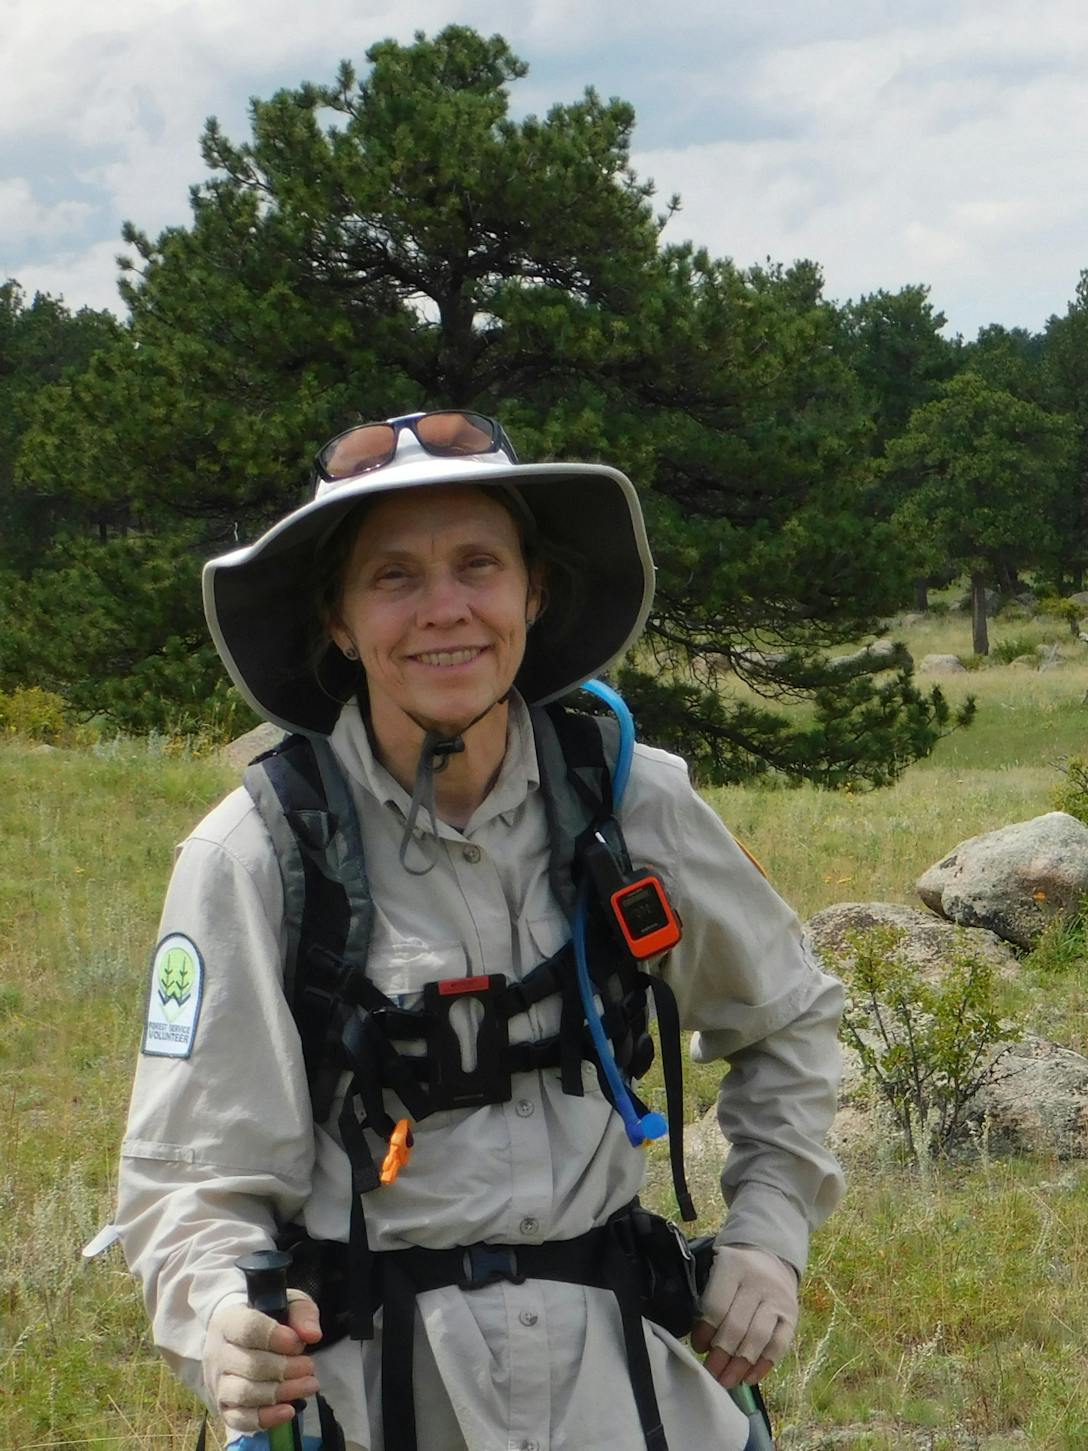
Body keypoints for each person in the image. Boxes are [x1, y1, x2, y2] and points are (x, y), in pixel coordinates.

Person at [116, 410, 845, 1451]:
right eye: (392, 576)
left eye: (477, 564)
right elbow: (191, 1178)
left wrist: (769, 1236)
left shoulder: (633, 803)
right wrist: (219, 1316)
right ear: (335, 618)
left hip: (625, 1395)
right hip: (372, 1401)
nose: (443, 609)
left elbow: (787, 1019)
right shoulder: (254, 853)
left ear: (532, 592)